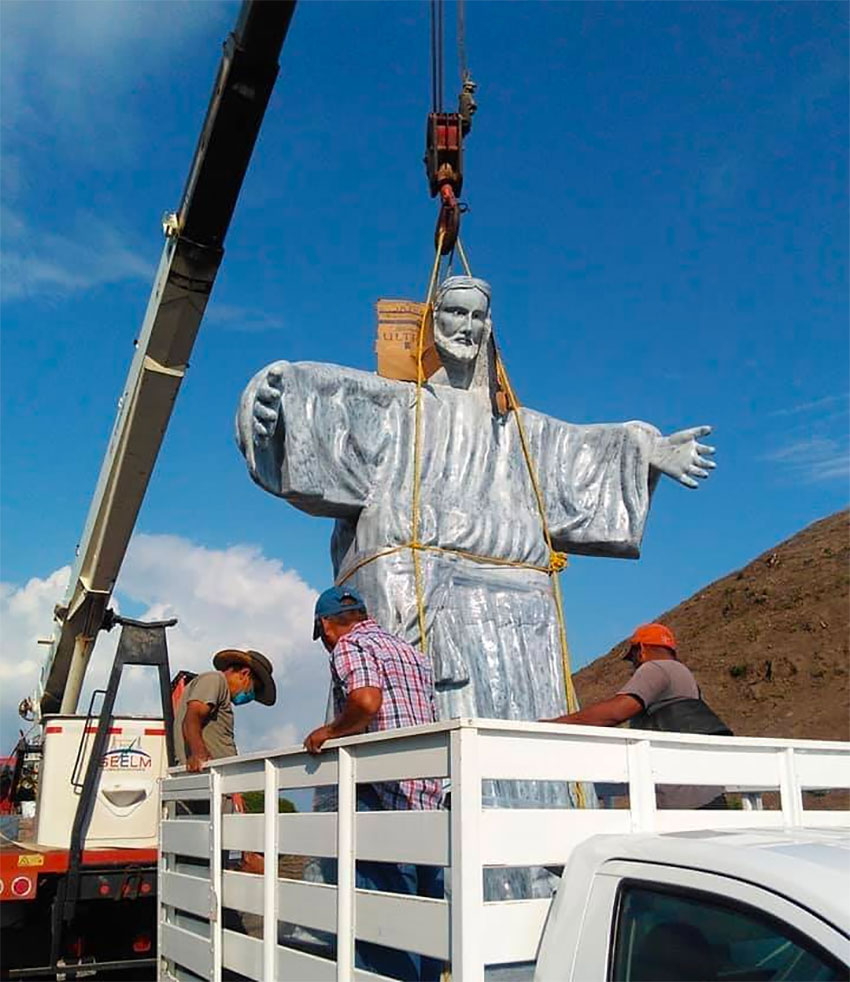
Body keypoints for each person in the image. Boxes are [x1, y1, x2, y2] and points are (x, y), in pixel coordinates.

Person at [236, 274, 716, 894]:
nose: (466, 327)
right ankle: (430, 897)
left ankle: (536, 885)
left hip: (523, 636)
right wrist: (264, 402)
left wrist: (646, 452)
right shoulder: (395, 411)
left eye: (478, 317)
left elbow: (585, 450)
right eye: (454, 314)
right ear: (433, 326)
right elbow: (310, 407)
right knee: (436, 771)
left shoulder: (517, 431)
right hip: (429, 620)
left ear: (490, 329)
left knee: (526, 768)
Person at [304, 585, 443, 982]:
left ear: (326, 626)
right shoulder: (411, 652)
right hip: (426, 796)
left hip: (382, 793)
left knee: (378, 921)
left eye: (324, 637)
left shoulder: (349, 646)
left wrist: (330, 731)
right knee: (426, 919)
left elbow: (366, 702)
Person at [545, 623, 731, 809]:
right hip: (705, 793)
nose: (633, 665)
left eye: (632, 658)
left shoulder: (655, 668)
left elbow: (615, 713)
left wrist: (555, 725)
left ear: (641, 650)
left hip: (681, 802)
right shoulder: (684, 676)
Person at [173, 648, 276, 772]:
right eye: (253, 689)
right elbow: (192, 717)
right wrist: (199, 754)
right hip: (207, 778)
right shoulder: (215, 680)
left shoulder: (222, 694)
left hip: (222, 781)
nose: (251, 696)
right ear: (245, 674)